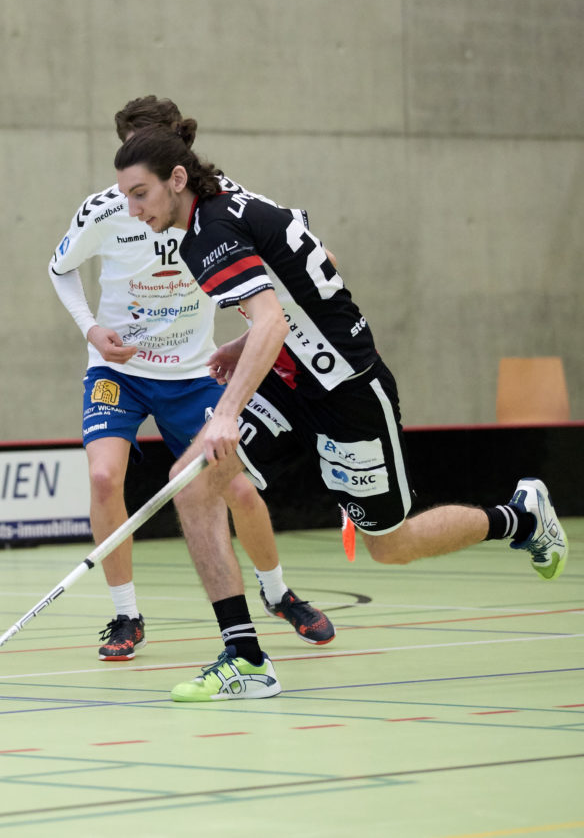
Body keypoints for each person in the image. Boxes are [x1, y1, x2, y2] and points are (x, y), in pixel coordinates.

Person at [113, 124, 568, 702]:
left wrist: (228, 409)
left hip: (348, 391)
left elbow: (275, 316)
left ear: (177, 180)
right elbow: (316, 261)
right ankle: (246, 656)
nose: (132, 210)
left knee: (390, 543)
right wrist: (247, 342)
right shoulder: (230, 199)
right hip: (288, 379)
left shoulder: (207, 232)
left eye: (140, 193)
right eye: (126, 196)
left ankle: (521, 518)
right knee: (194, 482)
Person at [48, 96, 334, 661]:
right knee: (105, 479)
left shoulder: (218, 207)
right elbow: (59, 269)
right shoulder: (105, 211)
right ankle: (126, 614)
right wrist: (90, 331)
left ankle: (278, 594)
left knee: (239, 489)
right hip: (118, 371)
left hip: (193, 372)